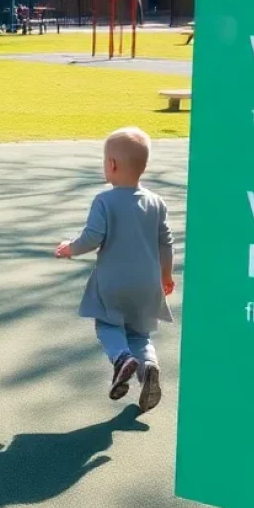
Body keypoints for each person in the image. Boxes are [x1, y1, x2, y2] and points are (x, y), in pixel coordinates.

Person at [55, 127, 174, 413]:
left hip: (113, 282)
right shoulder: (157, 203)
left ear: (112, 165)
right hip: (147, 284)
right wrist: (166, 276)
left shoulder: (104, 201)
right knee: (140, 334)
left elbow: (93, 237)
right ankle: (148, 367)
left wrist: (69, 248)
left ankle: (122, 359)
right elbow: (166, 242)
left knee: (108, 324)